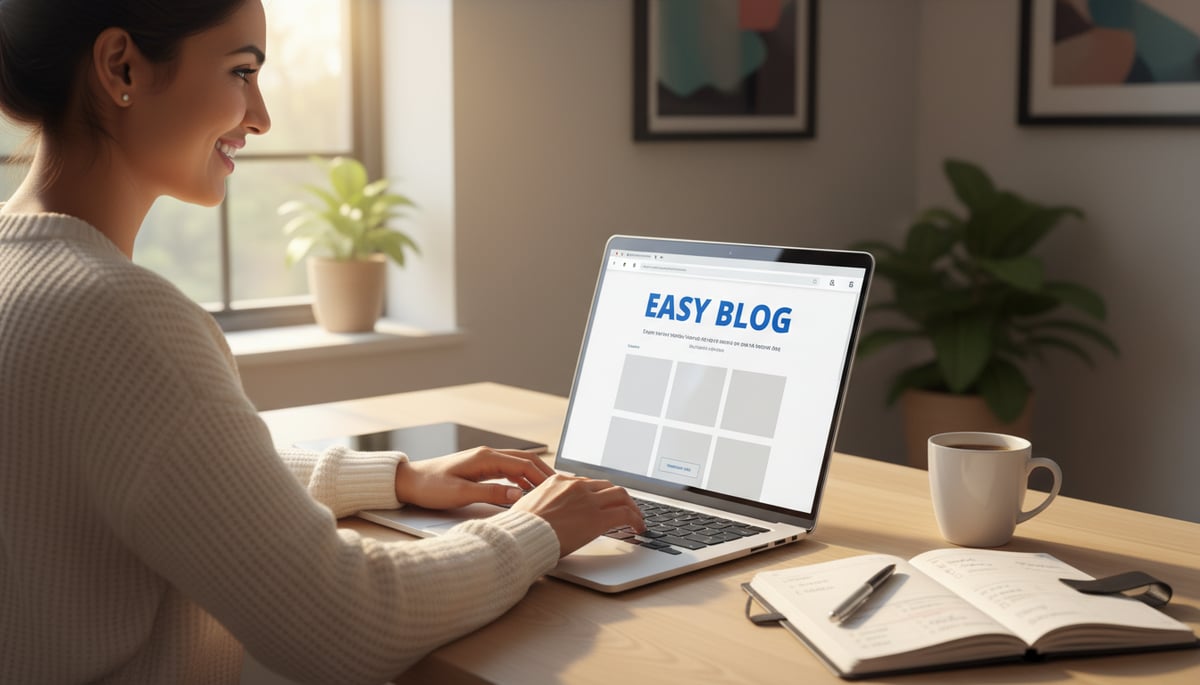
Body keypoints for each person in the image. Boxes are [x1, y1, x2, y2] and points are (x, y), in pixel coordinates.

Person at [0, 1, 644, 682]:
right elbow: (349, 623)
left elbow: (173, 468)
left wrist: (394, 477)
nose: (261, 116)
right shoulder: (117, 316)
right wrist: (536, 528)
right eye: (241, 71)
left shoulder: (26, 277)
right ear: (120, 65)